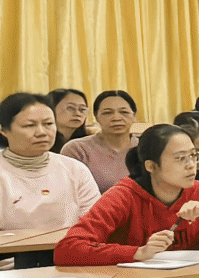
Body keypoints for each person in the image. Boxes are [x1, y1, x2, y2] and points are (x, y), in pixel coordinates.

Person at [56, 123, 199, 264]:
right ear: (151, 166)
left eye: (193, 156)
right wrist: (138, 252)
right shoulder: (123, 196)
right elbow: (67, 249)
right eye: (180, 158)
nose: (191, 165)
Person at [0, 91, 99, 232]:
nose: (41, 132)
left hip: (71, 245)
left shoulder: (75, 170)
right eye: (29, 125)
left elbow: (94, 224)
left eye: (48, 124)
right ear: (3, 130)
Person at [61, 89, 141, 193]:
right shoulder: (77, 149)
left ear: (134, 116)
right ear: (96, 117)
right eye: (107, 113)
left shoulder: (146, 147)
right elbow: (68, 192)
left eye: (124, 112)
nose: (116, 118)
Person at [47, 87, 91, 152]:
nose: (77, 113)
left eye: (82, 109)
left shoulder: (91, 143)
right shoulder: (40, 140)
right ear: (50, 108)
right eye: (70, 108)